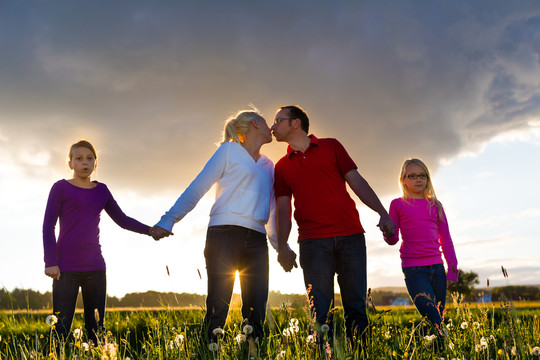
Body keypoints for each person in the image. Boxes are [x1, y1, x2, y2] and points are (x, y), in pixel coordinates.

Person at [271, 105, 394, 349]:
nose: (272, 126)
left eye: (278, 120)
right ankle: (324, 354)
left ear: (296, 123)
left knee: (356, 306)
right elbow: (284, 209)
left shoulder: (332, 146)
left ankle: (361, 353)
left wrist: (382, 212)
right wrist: (282, 246)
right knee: (320, 310)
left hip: (351, 237)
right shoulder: (281, 167)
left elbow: (357, 182)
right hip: (313, 243)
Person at [151, 108, 277, 344]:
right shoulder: (228, 151)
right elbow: (198, 187)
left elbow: (270, 208)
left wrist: (280, 246)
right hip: (224, 234)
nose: (270, 124)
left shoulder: (269, 165)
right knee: (218, 307)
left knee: (256, 310)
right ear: (254, 125)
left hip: (258, 239)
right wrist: (168, 220)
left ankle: (252, 353)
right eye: (264, 119)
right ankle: (209, 351)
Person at [42, 140, 152, 345]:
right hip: (65, 268)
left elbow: (123, 220)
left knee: (96, 329)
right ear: (70, 163)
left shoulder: (101, 191)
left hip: (95, 268)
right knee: (61, 327)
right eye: (79, 158)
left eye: (90, 158)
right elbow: (48, 225)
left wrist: (150, 230)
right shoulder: (60, 188)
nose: (85, 162)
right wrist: (50, 261)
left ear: (96, 163)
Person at [383, 158, 458, 340]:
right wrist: (387, 232)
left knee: (436, 318)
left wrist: (452, 269)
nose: (418, 179)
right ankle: (438, 349)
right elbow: (393, 240)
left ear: (428, 178)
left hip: (438, 269)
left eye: (422, 175)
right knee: (433, 318)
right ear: (403, 179)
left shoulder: (435, 205)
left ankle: (418, 348)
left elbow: (446, 239)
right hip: (414, 270)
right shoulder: (397, 204)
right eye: (413, 176)